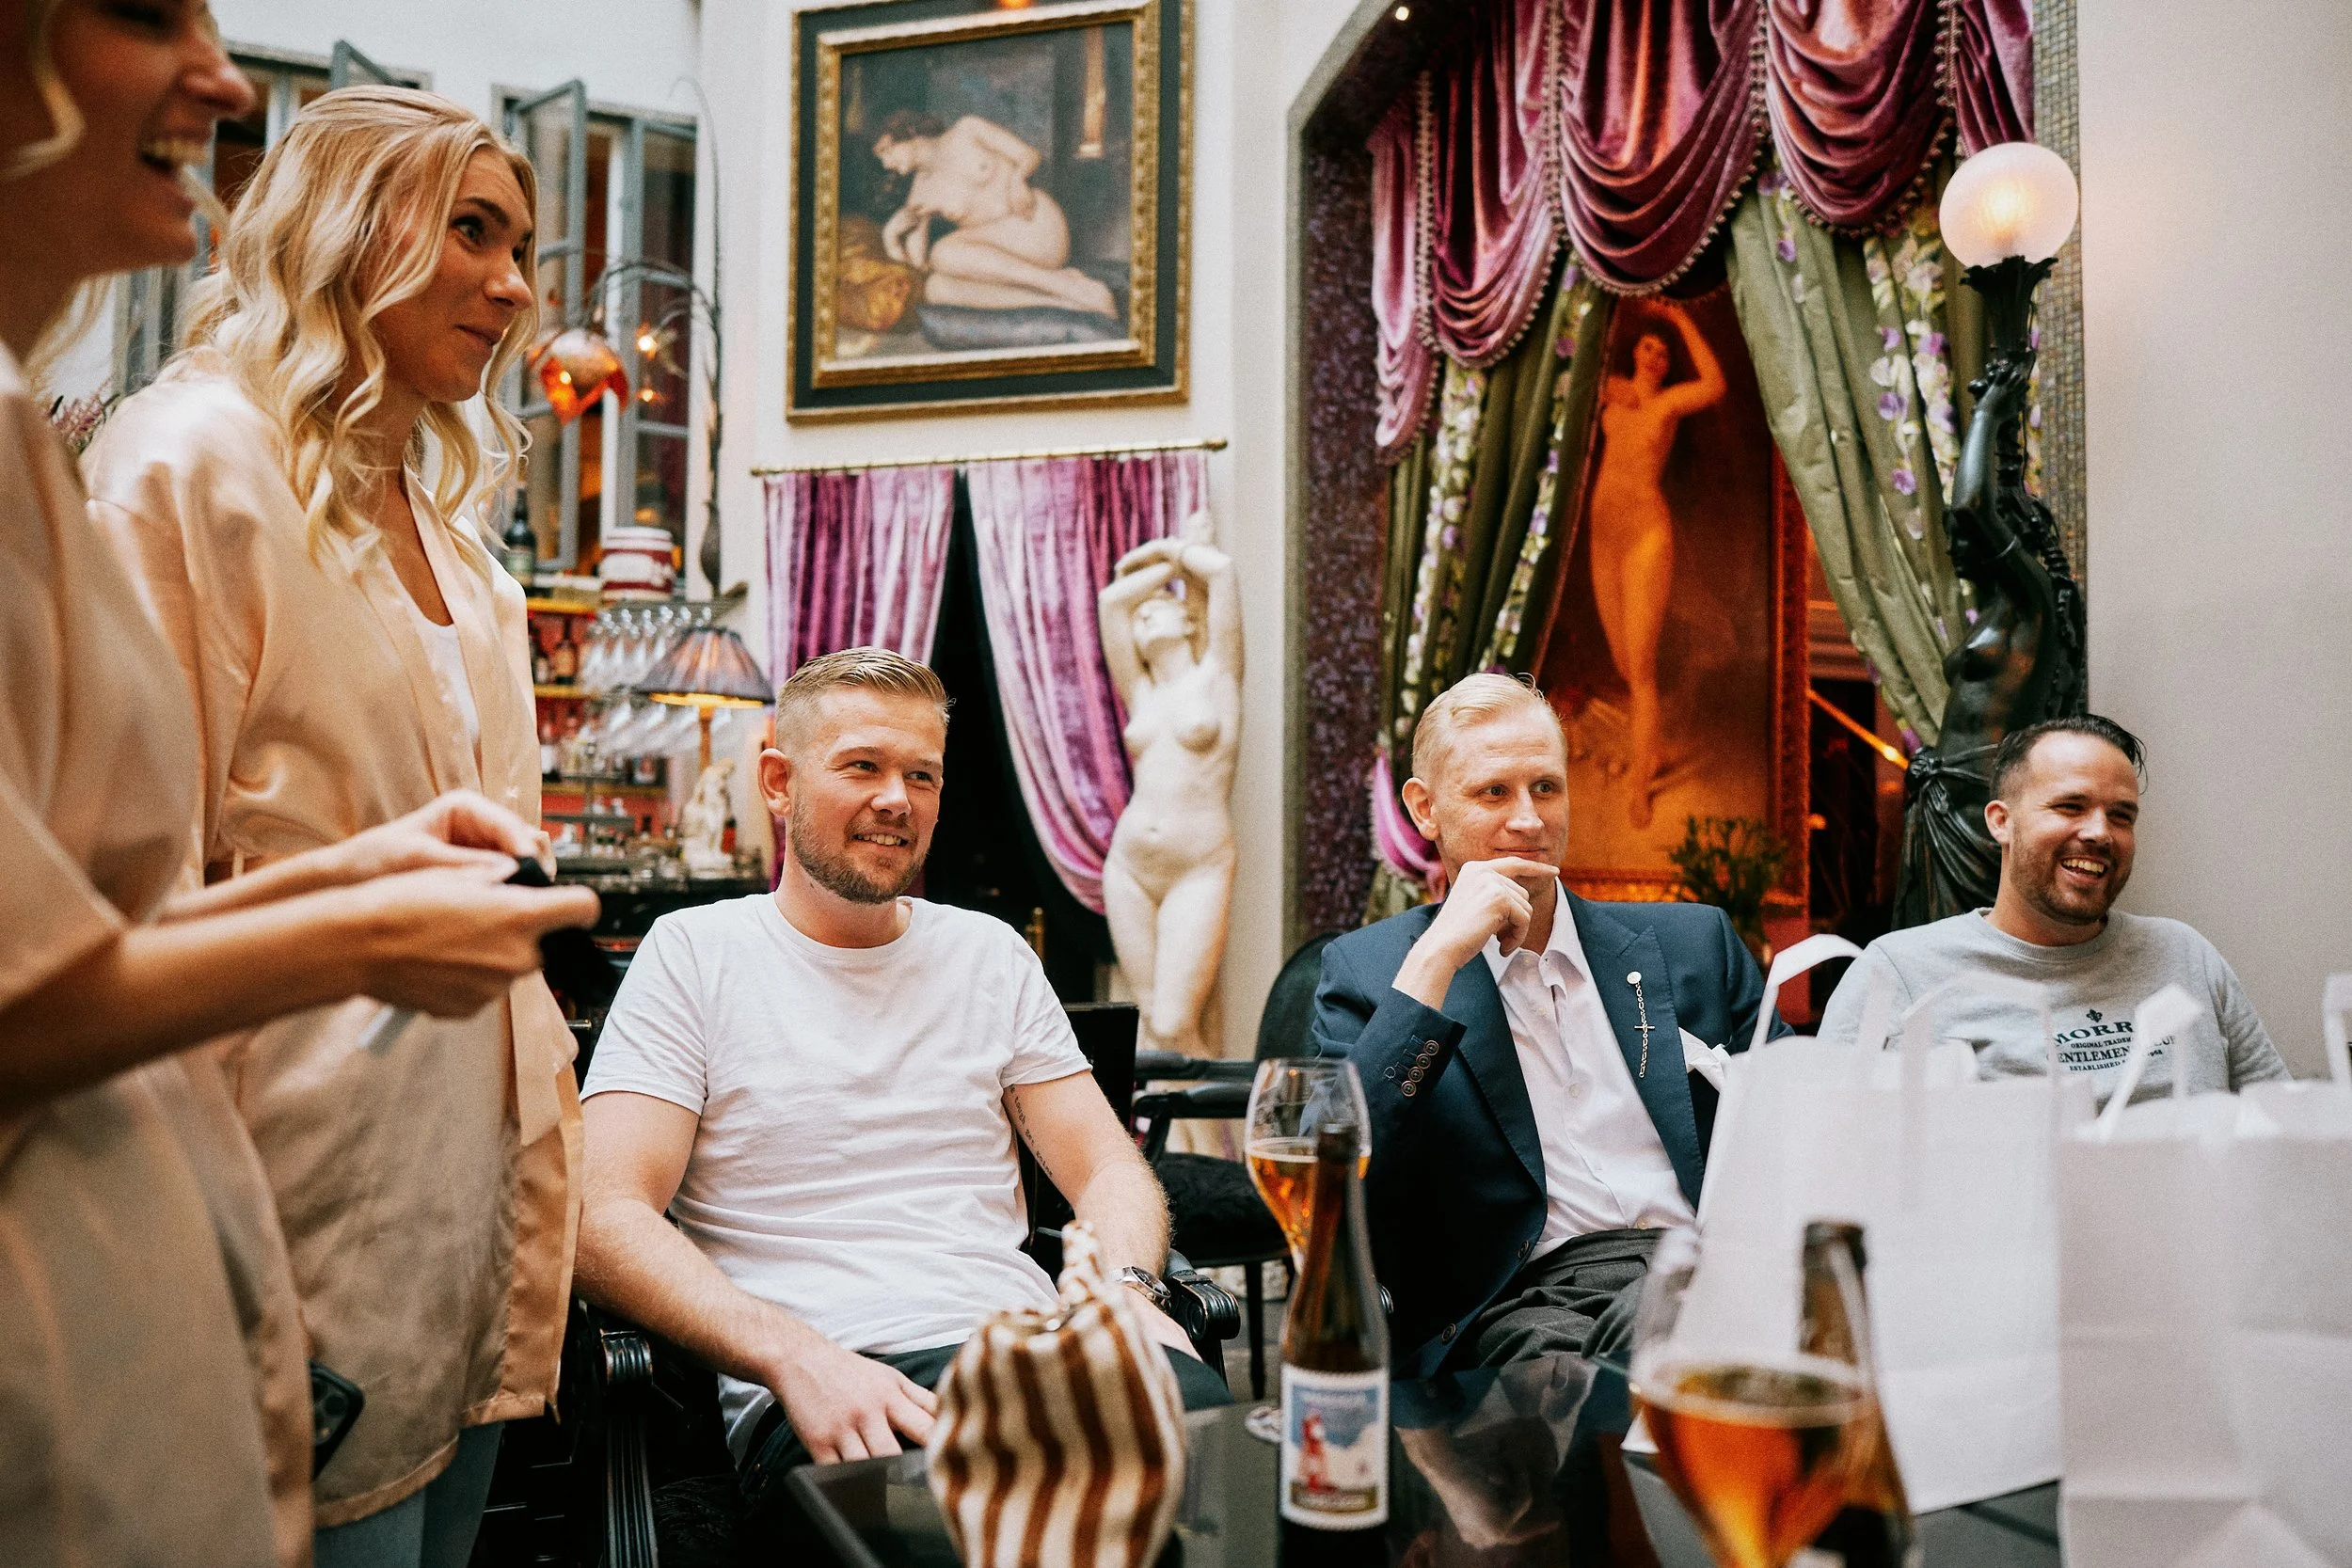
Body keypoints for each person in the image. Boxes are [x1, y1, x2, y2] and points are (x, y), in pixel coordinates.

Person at [0, 8, 594, 1566]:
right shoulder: (193, 464)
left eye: (524, 244)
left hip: (460, 1221)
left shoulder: (464, 545)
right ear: (348, 229)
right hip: (279, 1205)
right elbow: (121, 884)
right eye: (471, 230)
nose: (518, 288)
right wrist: (352, 931)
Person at [575, 648, 1230, 1540]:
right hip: (838, 1377)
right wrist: (794, 1357)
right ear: (779, 781)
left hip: (1031, 1348)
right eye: (863, 766)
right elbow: (601, 1216)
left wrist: (1125, 1289)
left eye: (922, 774)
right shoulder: (695, 953)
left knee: (1236, 1502)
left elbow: (1109, 1164)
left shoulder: (989, 953)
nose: (897, 799)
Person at [1311, 673, 1780, 1379]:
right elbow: (1334, 1179)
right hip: (1520, 1306)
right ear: (1424, 808)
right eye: (1493, 792)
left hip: (1703, 1269)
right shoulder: (1372, 972)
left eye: (1546, 788)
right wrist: (1436, 959)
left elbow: (1806, 1130)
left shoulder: (1695, 946)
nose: (1529, 819)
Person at [1820, 714, 2288, 1100]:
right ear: (2001, 822)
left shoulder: (2186, 957)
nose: (2101, 833)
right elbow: (1828, 1160)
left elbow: (2280, 1133)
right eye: (2070, 807)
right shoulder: (1899, 974)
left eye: (2121, 815)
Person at [1098, 521, 1242, 1059]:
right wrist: (1159, 576)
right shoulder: (1141, 692)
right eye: (1140, 620)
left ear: (1187, 619)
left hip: (1198, 864)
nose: (1141, 620)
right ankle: (1162, 1148)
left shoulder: (1218, 675)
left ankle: (1214, 1147)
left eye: (1155, 609)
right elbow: (1113, 601)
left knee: (1176, 1020)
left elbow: (1222, 572)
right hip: (1130, 865)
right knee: (1153, 1030)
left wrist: (1168, 554)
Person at [1587, 306, 1725, 829]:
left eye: (1665, 352)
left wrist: (1678, 319)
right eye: (1649, 346)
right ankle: (1657, 746)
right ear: (1634, 352)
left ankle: (1640, 783)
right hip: (1604, 534)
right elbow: (1573, 363)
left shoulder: (1667, 404)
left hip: (1647, 534)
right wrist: (1607, 379)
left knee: (1641, 668)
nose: (1657, 356)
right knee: (1624, 661)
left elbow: (1714, 383)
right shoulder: (1612, 391)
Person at [872, 108, 1117, 318]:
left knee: (943, 251)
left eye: (888, 150)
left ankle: (1061, 285)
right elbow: (920, 268)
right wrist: (891, 238)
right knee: (936, 289)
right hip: (1003, 259)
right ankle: (1066, 302)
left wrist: (1019, 179)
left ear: (910, 133)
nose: (886, 164)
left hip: (1036, 228)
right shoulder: (919, 193)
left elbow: (1029, 155)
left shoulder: (967, 130)